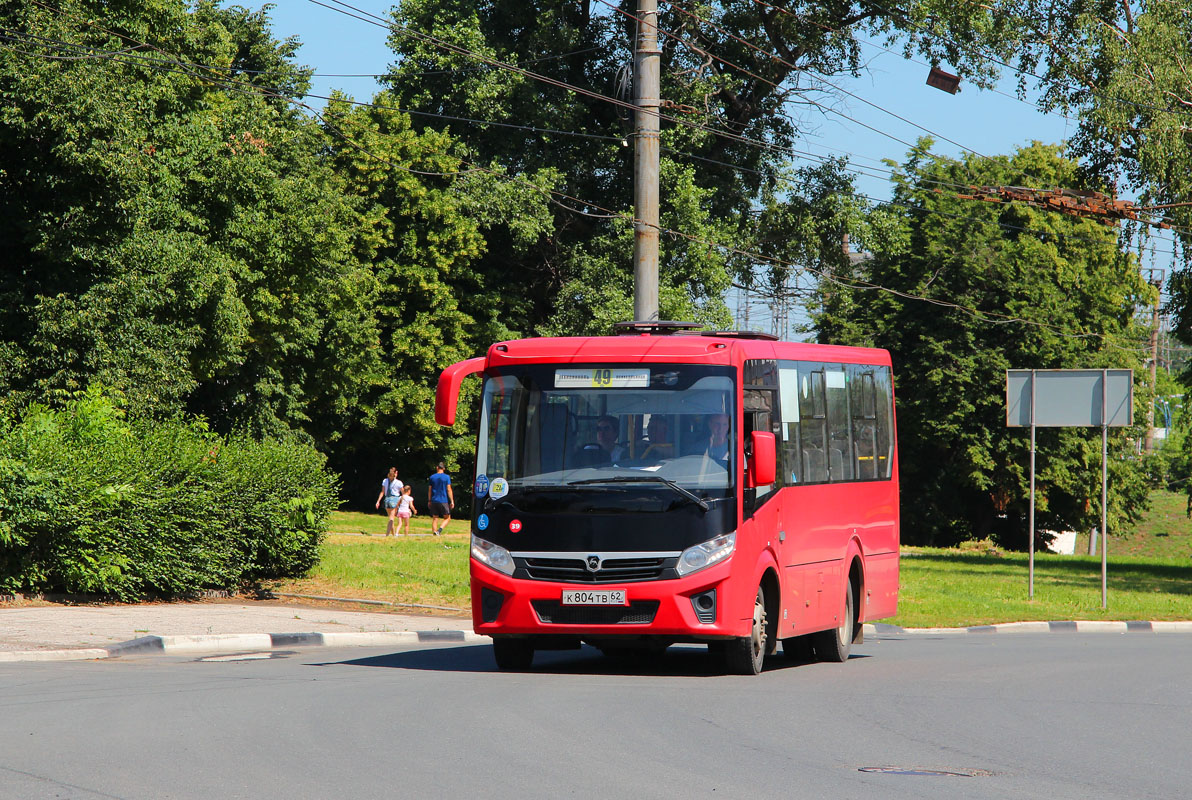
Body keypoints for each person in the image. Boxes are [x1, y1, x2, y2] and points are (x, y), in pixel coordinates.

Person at [374, 467, 404, 536]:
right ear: (396, 473)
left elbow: (382, 492)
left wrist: (378, 501)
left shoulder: (385, 481)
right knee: (391, 518)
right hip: (395, 499)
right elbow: (403, 493)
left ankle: (393, 535)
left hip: (387, 499)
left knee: (390, 517)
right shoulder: (399, 482)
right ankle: (387, 534)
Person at [427, 462, 454, 535]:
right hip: (443, 500)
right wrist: (452, 501)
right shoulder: (447, 477)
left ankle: (434, 533)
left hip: (434, 500)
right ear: (444, 468)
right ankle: (439, 530)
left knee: (435, 518)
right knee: (447, 518)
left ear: (437, 467)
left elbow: (430, 490)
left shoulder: (432, 477)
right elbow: (449, 489)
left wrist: (429, 500)